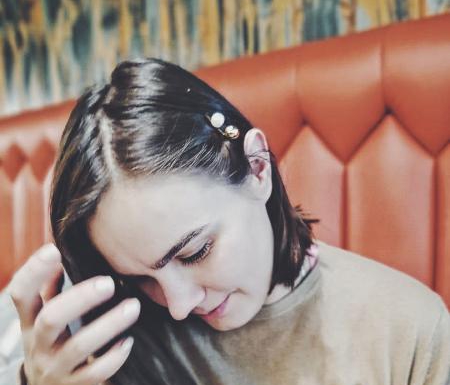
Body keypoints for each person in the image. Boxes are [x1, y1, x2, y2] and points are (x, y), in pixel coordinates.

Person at [7, 58, 450, 385]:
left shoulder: (407, 332)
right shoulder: (98, 338)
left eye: (195, 251)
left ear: (257, 168)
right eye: (140, 278)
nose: (179, 306)